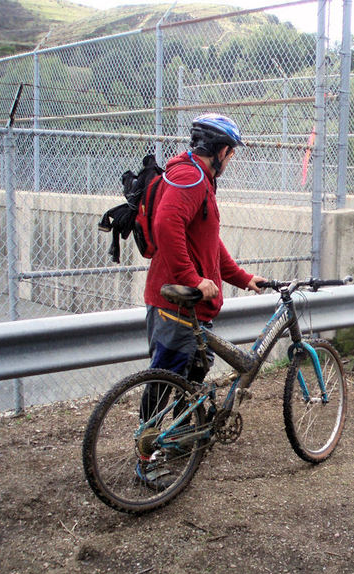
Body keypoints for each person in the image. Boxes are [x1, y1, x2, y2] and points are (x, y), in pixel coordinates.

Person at [138, 113, 266, 487]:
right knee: (164, 383)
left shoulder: (197, 177)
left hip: (189, 306)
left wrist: (242, 278)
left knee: (189, 377)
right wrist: (192, 279)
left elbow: (209, 244)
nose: (232, 160)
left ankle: (178, 443)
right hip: (177, 305)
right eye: (232, 153)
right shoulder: (190, 177)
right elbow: (165, 225)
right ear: (222, 151)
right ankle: (145, 458)